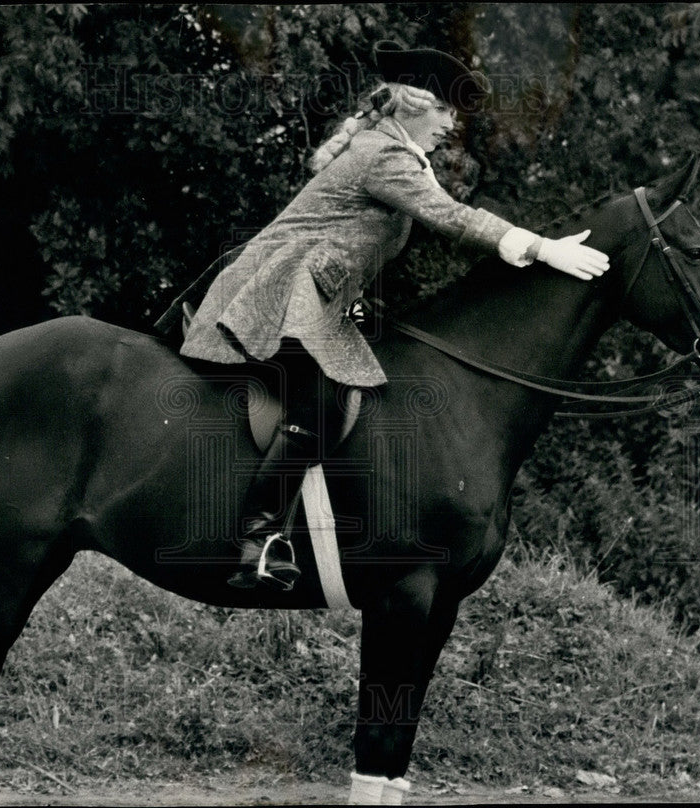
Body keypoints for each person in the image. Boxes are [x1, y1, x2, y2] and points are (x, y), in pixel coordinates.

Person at [180, 41, 609, 590]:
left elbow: (346, 247)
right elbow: (451, 218)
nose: (453, 124)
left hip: (308, 289)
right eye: (447, 111)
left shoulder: (389, 150)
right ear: (414, 102)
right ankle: (259, 540)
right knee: (327, 398)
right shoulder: (385, 155)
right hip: (281, 290)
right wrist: (543, 249)